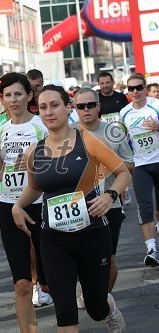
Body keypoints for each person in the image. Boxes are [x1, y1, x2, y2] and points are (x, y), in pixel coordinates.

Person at [12, 84, 131, 332]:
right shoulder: (35, 151)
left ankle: (109, 307)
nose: (48, 112)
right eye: (42, 107)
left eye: (54, 105)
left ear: (68, 108)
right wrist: (17, 206)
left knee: (95, 307)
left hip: (92, 235)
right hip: (54, 240)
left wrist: (110, 195)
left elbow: (122, 173)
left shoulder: (87, 141)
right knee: (65, 312)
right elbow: (34, 188)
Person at [0, 72, 51, 332]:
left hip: (42, 204)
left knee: (52, 278)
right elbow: (2, 166)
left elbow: (58, 165)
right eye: (7, 95)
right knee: (22, 285)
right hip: (10, 207)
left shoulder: (41, 127)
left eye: (18, 94)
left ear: (29, 95)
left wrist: (36, 163)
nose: (13, 100)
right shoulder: (0, 130)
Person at [72, 87, 135, 295]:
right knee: (81, 256)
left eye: (91, 105)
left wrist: (108, 163)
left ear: (98, 106)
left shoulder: (113, 131)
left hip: (109, 203)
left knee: (108, 258)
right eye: (81, 106)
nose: (86, 109)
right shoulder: (68, 132)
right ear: (75, 108)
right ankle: (88, 292)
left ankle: (104, 300)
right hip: (76, 205)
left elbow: (131, 166)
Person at [119, 74, 159, 267]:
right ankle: (151, 249)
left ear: (145, 88)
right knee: (144, 206)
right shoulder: (124, 113)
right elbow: (122, 139)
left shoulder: (156, 105)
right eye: (131, 88)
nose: (135, 91)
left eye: (139, 87)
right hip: (141, 164)